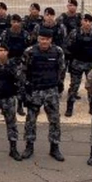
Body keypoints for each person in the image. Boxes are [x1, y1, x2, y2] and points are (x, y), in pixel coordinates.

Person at [20, 27, 67, 161]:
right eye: (41, 39)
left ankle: (54, 147)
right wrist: (25, 90)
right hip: (34, 90)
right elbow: (23, 71)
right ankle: (29, 146)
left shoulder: (57, 52)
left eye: (46, 39)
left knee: (54, 120)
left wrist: (59, 85)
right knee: (31, 120)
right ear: (38, 38)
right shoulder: (29, 52)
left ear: (50, 40)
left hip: (51, 90)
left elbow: (62, 69)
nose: (44, 42)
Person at [63, 13, 92, 117]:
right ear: (81, 22)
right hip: (77, 63)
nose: (87, 23)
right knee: (74, 86)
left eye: (89, 21)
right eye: (85, 21)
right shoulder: (75, 33)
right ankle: (69, 107)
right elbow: (67, 46)